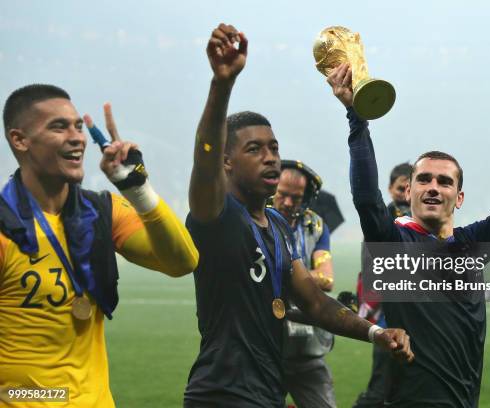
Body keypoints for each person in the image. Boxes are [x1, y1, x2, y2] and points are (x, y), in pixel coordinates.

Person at [183, 24, 413, 408]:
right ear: (226, 162)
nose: (271, 156)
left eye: (273, 147)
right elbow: (204, 162)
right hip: (221, 394)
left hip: (267, 391)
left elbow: (317, 305)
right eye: (254, 149)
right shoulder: (218, 216)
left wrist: (376, 333)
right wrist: (221, 84)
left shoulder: (275, 226)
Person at [326, 62, 490, 407]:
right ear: (408, 191)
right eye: (423, 179)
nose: (432, 187)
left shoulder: (472, 245)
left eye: (444, 181)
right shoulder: (394, 243)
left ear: (458, 197)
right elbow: (367, 199)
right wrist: (357, 117)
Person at [0, 84, 199, 407]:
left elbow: (183, 261)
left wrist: (137, 188)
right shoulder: (5, 227)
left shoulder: (101, 213)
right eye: (58, 126)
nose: (77, 137)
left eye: (78, 126)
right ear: (19, 139)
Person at [272, 160, 336, 408]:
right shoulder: (256, 219)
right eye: (282, 195)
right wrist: (307, 279)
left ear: (307, 197)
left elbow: (327, 279)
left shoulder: (317, 226)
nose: (288, 203)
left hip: (307, 345)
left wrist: (282, 275)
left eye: (296, 198)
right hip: (265, 348)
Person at [353, 161, 412, 408]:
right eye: (401, 188)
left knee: (403, 385)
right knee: (382, 382)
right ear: (390, 188)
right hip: (388, 306)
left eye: (411, 188)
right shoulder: (385, 218)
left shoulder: (421, 218)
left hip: (410, 308)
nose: (406, 195)